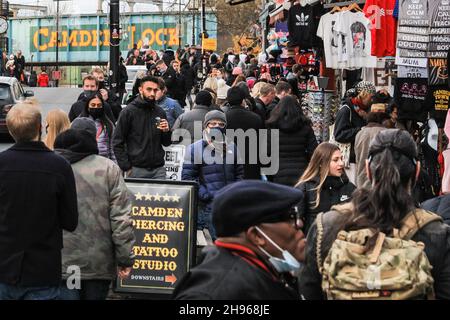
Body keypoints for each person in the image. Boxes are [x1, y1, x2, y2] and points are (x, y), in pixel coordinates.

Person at [298, 129, 450, 299]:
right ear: (416, 172)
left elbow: (308, 291)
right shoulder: (437, 233)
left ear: (368, 171)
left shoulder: (327, 225)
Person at [173, 180, 305, 300]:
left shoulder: (266, 270)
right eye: (290, 217)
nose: (299, 224)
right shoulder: (214, 292)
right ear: (256, 235)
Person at [0, 102, 78, 300]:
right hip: (43, 267)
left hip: (4, 265)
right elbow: (70, 221)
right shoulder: (59, 166)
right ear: (39, 127)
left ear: (10, 131)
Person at [53, 118, 135, 300]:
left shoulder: (53, 166)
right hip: (98, 261)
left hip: (62, 259)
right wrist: (125, 258)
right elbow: (121, 218)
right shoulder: (108, 169)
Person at [182, 111, 244, 239]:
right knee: (220, 242)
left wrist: (235, 192)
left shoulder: (232, 146)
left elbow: (240, 173)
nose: (217, 127)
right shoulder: (195, 148)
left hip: (230, 204)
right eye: (213, 123)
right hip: (210, 206)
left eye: (221, 124)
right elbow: (188, 178)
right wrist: (206, 194)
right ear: (206, 126)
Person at [112, 75, 171, 179]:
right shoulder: (128, 112)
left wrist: (166, 131)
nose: (152, 93)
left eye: (155, 90)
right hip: (136, 169)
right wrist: (126, 167)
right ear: (140, 90)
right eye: (149, 89)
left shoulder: (160, 112)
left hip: (158, 170)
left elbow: (166, 142)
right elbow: (117, 142)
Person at [295, 142, 356, 233]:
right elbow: (297, 223)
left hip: (342, 244)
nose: (341, 163)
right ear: (321, 163)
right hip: (316, 243)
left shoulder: (349, 187)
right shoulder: (305, 188)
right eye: (336, 160)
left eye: (341, 159)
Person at [266, 95, 318, 186]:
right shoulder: (305, 127)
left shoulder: (272, 128)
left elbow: (267, 154)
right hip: (301, 172)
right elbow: (314, 152)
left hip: (279, 172)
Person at [333, 81, 374, 184]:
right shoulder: (346, 110)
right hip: (349, 161)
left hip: (360, 158)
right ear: (363, 95)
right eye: (370, 97)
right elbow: (339, 135)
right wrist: (360, 130)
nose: (372, 100)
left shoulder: (366, 111)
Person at [225, 86, 264, 179]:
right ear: (243, 100)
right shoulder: (256, 118)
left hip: (229, 166)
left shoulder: (223, 119)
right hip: (251, 166)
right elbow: (262, 143)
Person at [354, 103, 390, 188]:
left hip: (360, 180)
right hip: (378, 183)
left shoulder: (360, 133)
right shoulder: (385, 133)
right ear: (383, 119)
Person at [78, 92, 117, 162]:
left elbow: (113, 149)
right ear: (87, 106)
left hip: (105, 164)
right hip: (84, 164)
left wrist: (115, 166)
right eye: (93, 105)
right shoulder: (78, 123)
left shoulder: (109, 124)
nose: (96, 107)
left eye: (99, 105)